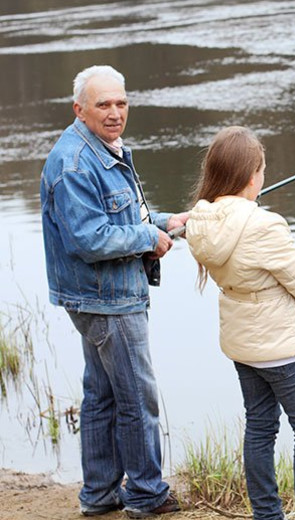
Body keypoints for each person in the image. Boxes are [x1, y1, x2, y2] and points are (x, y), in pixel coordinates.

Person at [39, 65, 187, 518]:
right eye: (103, 104)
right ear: (79, 109)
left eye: (121, 103)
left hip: (101, 295)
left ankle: (100, 494)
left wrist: (165, 223)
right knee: (136, 398)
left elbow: (123, 215)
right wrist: (148, 239)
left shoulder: (107, 149)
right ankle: (145, 493)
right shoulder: (74, 163)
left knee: (102, 395)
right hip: (105, 300)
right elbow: (87, 239)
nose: (114, 112)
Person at [185, 126, 295, 520]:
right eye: (263, 168)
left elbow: (257, 274)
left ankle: (267, 515)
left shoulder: (201, 220)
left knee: (261, 425)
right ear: (253, 174)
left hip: (242, 340)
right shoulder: (264, 225)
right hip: (279, 345)